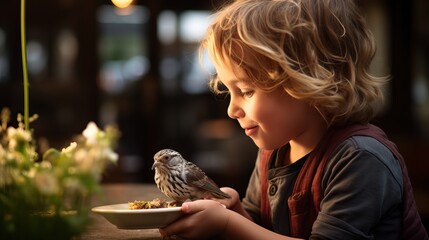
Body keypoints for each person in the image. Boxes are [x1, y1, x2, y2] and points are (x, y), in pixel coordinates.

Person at [160, 0, 429, 239]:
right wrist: (237, 210)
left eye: (246, 90)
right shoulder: (273, 151)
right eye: (228, 91)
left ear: (308, 81)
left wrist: (228, 224)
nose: (232, 110)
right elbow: (259, 228)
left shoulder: (361, 159)